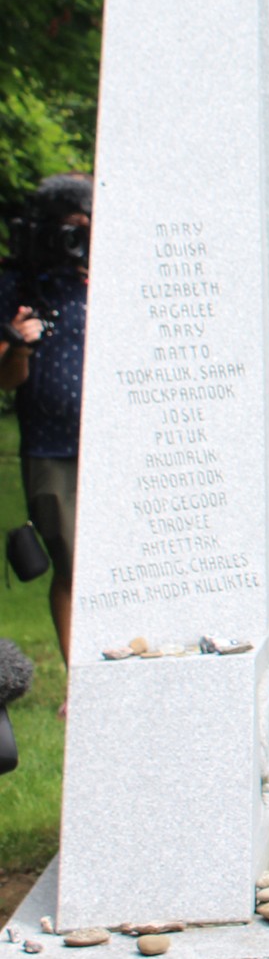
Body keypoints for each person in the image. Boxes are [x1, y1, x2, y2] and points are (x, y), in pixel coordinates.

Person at [0, 174, 90, 666]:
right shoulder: (22, 284)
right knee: (73, 563)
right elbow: (7, 381)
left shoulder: (109, 277)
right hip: (51, 448)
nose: (81, 241)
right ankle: (80, 679)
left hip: (113, 442)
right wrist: (20, 343)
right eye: (72, 229)